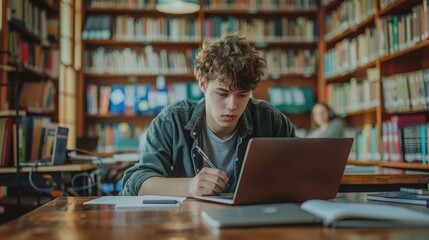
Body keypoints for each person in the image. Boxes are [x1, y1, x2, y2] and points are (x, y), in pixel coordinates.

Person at [121, 32, 297, 197]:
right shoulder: (172, 120)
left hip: (256, 222)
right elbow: (135, 183)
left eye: (242, 95)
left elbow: (302, 172)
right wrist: (189, 187)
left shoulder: (270, 120)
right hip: (188, 223)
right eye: (222, 94)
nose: (232, 105)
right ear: (203, 85)